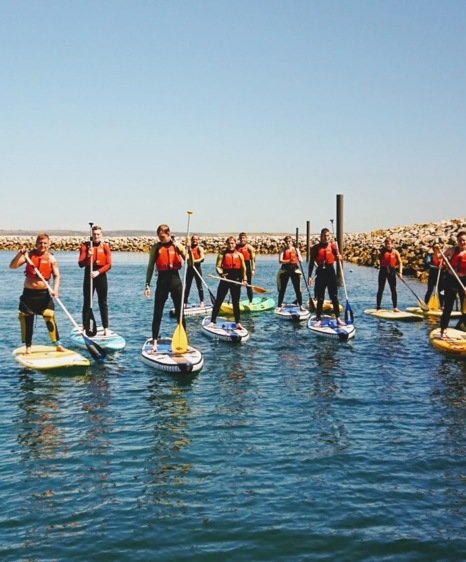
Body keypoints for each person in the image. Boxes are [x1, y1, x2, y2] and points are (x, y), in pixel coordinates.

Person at [9, 233, 64, 354]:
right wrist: (19, 254)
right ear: (36, 244)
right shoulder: (28, 255)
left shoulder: (51, 258)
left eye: (45, 243)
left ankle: (57, 344)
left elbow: (57, 275)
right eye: (40, 243)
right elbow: (12, 266)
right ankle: (28, 347)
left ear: (48, 245)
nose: (42, 245)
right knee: (27, 318)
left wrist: (55, 289)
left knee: (49, 315)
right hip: (28, 294)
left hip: (44, 294)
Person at [145, 224, 187, 352]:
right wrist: (147, 284)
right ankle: (155, 342)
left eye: (162, 236)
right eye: (159, 236)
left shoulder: (177, 246)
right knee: (157, 312)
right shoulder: (156, 248)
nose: (161, 238)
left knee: (180, 313)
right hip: (162, 281)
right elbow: (151, 267)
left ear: (168, 234)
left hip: (175, 281)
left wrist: (185, 249)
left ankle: (184, 341)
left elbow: (190, 261)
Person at [78, 225, 112, 336]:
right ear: (91, 235)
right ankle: (84, 326)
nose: (96, 236)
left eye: (98, 234)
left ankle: (106, 327)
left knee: (103, 302)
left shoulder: (105, 247)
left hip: (101, 275)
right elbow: (80, 264)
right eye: (94, 234)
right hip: (89, 274)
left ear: (101, 235)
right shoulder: (85, 246)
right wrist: (88, 256)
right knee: (87, 302)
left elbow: (109, 264)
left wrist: (98, 272)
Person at [308, 228, 344, 326]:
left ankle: (338, 318)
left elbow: (339, 257)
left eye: (328, 235)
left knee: (334, 297)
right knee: (320, 298)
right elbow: (311, 263)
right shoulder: (316, 248)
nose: (326, 237)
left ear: (330, 236)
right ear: (321, 236)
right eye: (324, 235)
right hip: (320, 272)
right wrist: (310, 276)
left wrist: (340, 257)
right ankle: (318, 318)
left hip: (330, 272)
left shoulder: (333, 246)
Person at [209, 236, 247, 329]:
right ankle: (213, 321)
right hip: (225, 279)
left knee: (236, 302)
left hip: (236, 280)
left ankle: (238, 322)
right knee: (219, 300)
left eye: (232, 243)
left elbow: (243, 268)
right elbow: (218, 266)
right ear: (227, 244)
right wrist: (222, 274)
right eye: (229, 243)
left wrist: (245, 279)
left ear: (235, 244)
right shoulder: (222, 254)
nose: (231, 245)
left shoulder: (239, 255)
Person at [440, 231, 466, 337]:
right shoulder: (452, 250)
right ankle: (443, 330)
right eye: (460, 240)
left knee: (464, 308)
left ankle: (462, 327)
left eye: (464, 240)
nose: (462, 242)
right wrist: (440, 257)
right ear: (457, 241)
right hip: (451, 280)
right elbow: (441, 257)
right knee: (448, 307)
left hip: (464, 281)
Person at [375, 236, 403, 312]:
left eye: (389, 244)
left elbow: (400, 262)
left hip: (392, 271)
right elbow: (377, 260)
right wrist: (377, 257)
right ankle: (378, 307)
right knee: (380, 289)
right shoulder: (381, 251)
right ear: (385, 244)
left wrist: (400, 272)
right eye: (386, 244)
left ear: (392, 244)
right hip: (383, 271)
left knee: (393, 289)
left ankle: (395, 307)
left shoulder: (396, 252)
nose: (388, 245)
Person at [277, 235, 304, 309]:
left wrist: (297, 258)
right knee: (282, 289)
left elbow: (301, 260)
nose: (288, 243)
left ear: (292, 242)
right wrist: (289, 260)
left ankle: (301, 305)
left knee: (297, 289)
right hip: (285, 271)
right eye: (287, 242)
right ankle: (279, 305)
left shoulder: (296, 249)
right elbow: (280, 261)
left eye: (289, 241)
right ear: (285, 242)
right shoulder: (283, 250)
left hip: (294, 271)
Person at [184, 235, 205, 306]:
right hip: (190, 269)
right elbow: (185, 256)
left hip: (197, 268)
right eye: (193, 239)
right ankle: (185, 302)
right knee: (187, 286)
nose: (194, 240)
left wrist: (194, 261)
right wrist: (188, 260)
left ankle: (202, 302)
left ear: (198, 240)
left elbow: (202, 258)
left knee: (199, 286)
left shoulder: (200, 248)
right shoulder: (187, 248)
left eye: (196, 239)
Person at [236, 232, 256, 303]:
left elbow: (253, 259)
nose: (242, 239)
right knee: (237, 285)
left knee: (248, 285)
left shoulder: (249, 247)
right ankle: (236, 301)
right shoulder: (236, 247)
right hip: (238, 267)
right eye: (241, 238)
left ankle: (250, 301)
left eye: (243, 238)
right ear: (239, 239)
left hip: (247, 267)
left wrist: (253, 269)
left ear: (246, 239)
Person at [424, 242, 444, 307]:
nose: (437, 248)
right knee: (430, 290)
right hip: (432, 275)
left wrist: (444, 265)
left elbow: (449, 265)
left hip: (441, 276)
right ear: (433, 249)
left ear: (440, 248)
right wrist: (437, 267)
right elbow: (427, 264)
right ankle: (425, 304)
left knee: (440, 291)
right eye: (435, 247)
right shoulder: (429, 256)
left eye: (438, 247)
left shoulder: (443, 256)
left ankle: (442, 306)